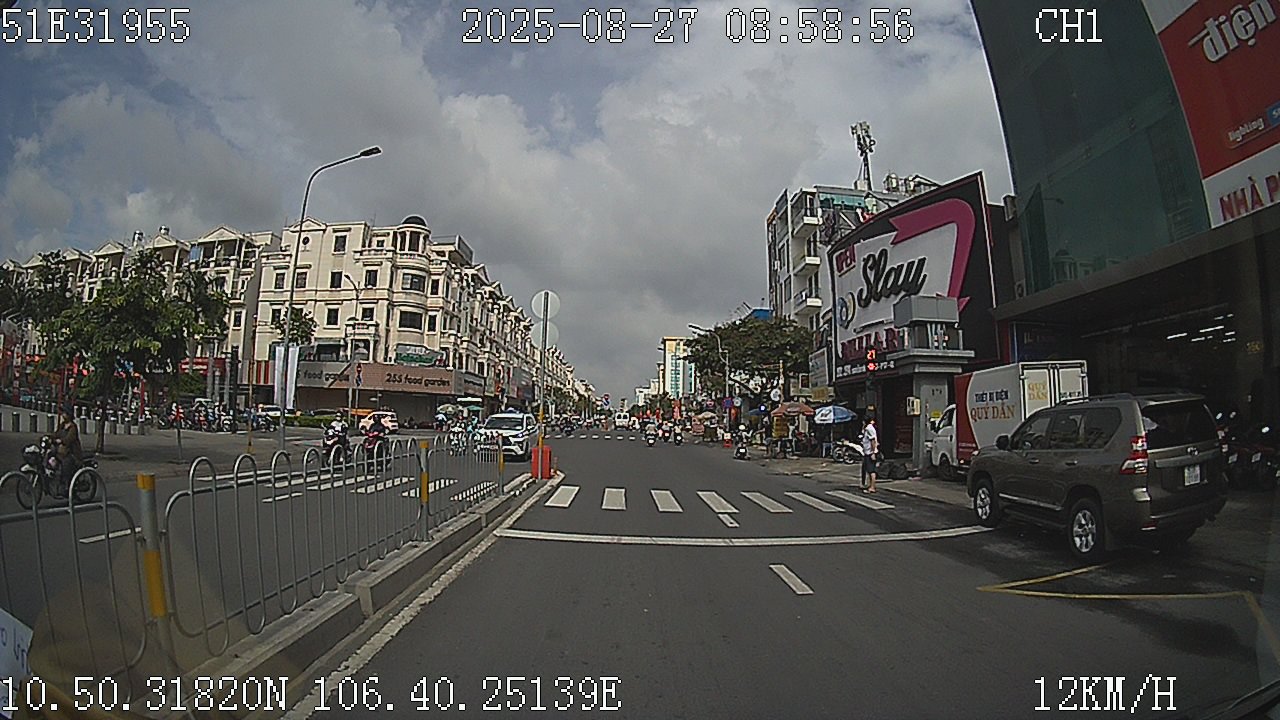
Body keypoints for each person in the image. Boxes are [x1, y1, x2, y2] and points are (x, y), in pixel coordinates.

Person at [52, 406, 84, 491]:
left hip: (72, 453)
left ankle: (66, 485)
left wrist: (61, 441)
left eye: (65, 413)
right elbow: (56, 434)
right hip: (62, 452)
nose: (63, 415)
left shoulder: (73, 427)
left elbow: (69, 439)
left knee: (66, 464)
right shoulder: (62, 425)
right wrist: (49, 438)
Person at [860, 416, 880, 493]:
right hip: (867, 452)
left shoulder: (869, 429)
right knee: (867, 469)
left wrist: (873, 452)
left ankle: (872, 487)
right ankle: (868, 485)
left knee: (871, 470)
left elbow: (873, 441)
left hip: (870, 452)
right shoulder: (867, 428)